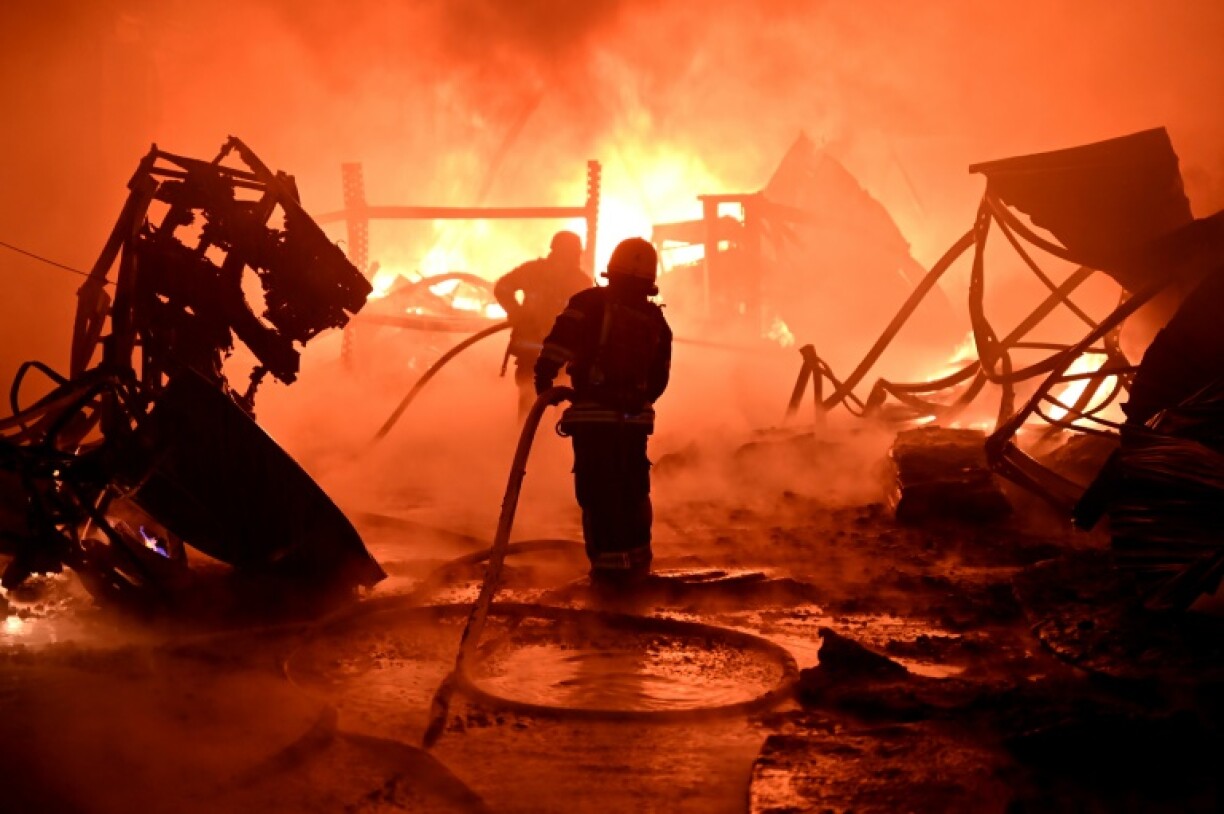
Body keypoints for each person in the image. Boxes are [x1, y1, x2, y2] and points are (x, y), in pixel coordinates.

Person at [534, 237, 672, 582]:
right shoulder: (656, 320)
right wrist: (634, 404)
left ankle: (608, 577)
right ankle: (638, 568)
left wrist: (544, 382)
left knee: (599, 494)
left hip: (594, 420)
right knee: (633, 492)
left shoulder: (590, 302)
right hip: (635, 422)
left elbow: (557, 344)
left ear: (612, 270)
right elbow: (659, 379)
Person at [494, 231, 592, 417]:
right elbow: (502, 288)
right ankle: (530, 440)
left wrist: (516, 313)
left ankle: (538, 442)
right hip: (539, 355)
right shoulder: (535, 272)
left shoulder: (579, 281)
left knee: (549, 407)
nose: (574, 258)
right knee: (535, 405)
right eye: (572, 253)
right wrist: (516, 312)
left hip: (554, 357)